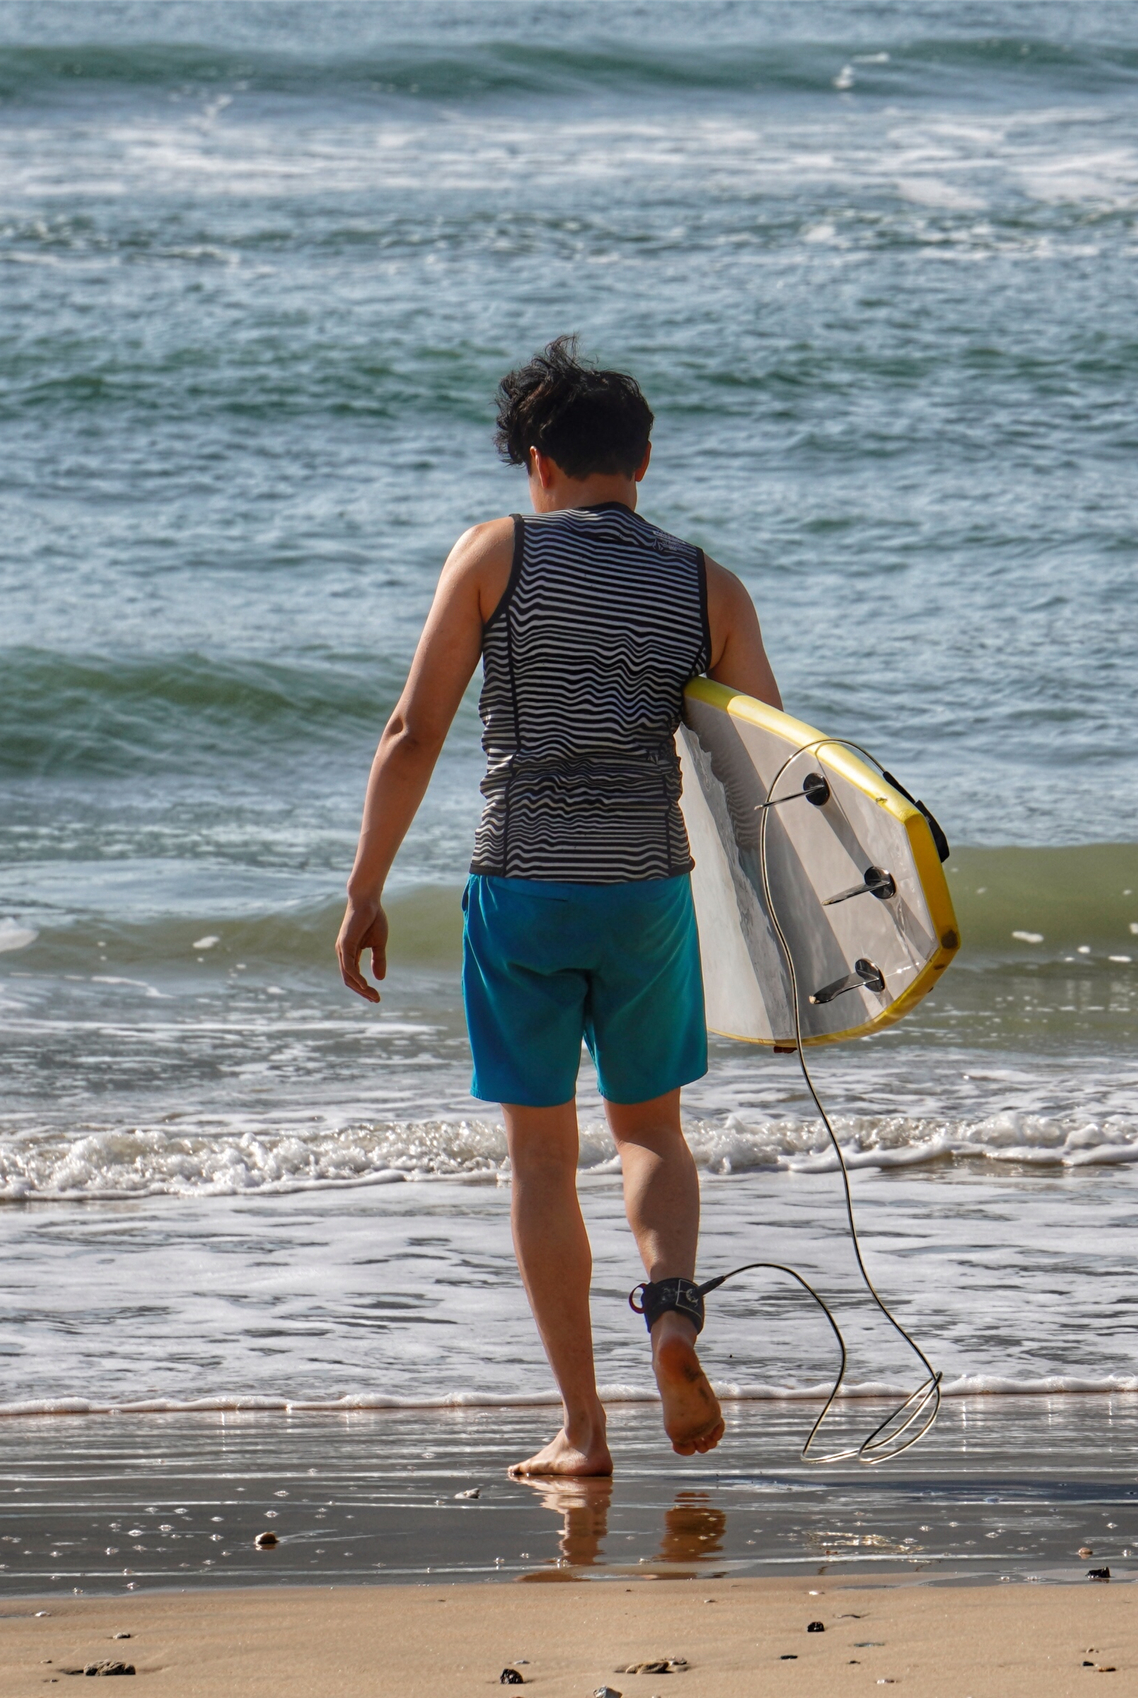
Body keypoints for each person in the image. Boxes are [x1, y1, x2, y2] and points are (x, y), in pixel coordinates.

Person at [335, 337, 782, 1476]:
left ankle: (584, 1429)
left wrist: (365, 888)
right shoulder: (708, 584)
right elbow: (764, 774)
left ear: (537, 463)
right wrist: (787, 935)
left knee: (542, 1159)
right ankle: (672, 1318)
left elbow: (413, 732)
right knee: (651, 1131)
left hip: (523, 887)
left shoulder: (498, 553)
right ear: (644, 461)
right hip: (646, 893)